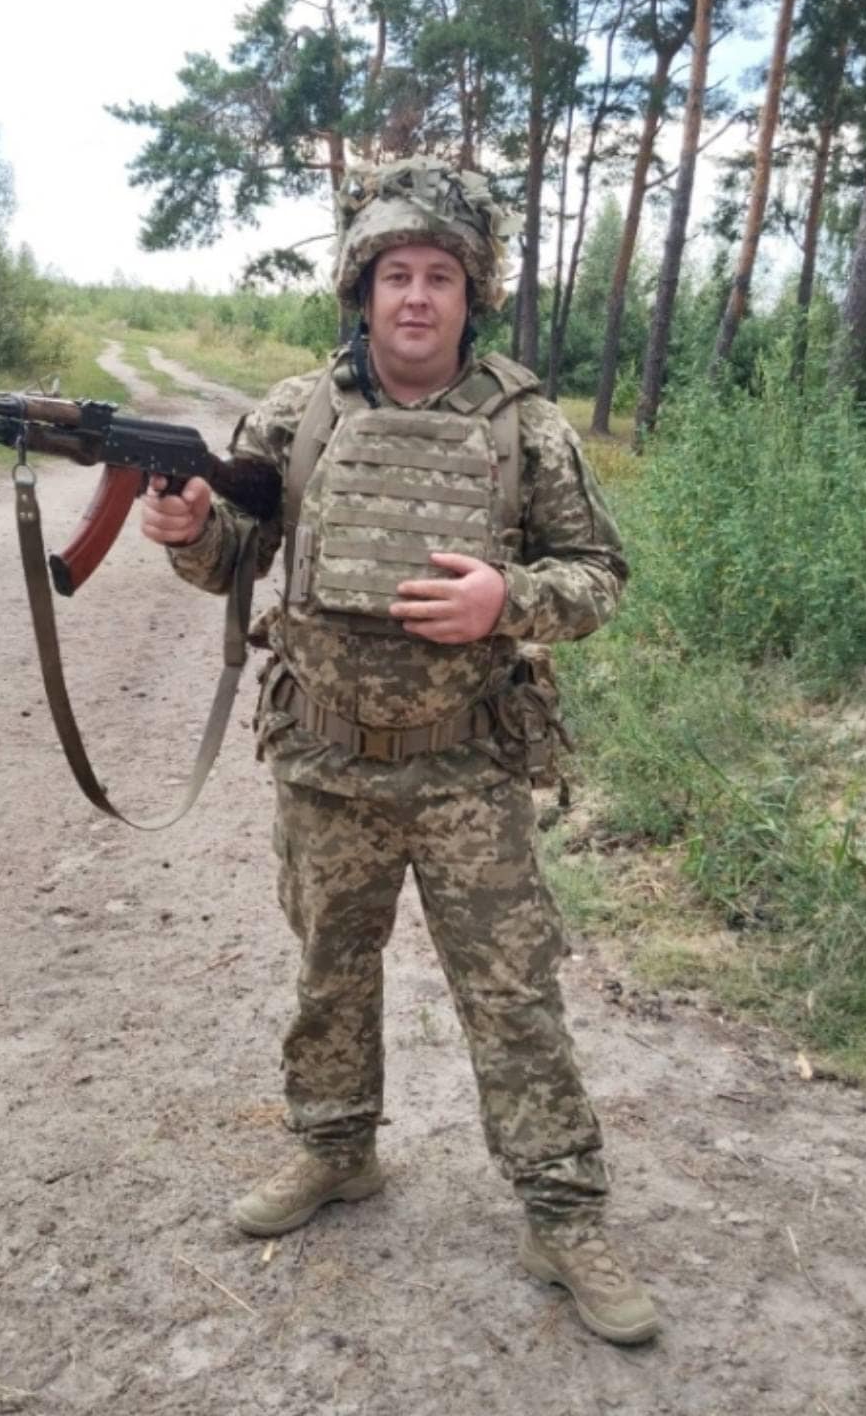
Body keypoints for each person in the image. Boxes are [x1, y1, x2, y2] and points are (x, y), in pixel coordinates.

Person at [140, 157, 658, 1345]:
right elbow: (233, 555)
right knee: (329, 969)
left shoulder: (525, 426)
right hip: (326, 765)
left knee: (512, 993)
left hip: (468, 768)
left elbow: (598, 577)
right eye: (394, 275)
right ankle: (335, 1150)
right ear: (361, 290)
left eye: (438, 276)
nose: (415, 296)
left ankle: (562, 1213)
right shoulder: (296, 414)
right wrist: (186, 530)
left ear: (471, 296)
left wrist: (505, 598)